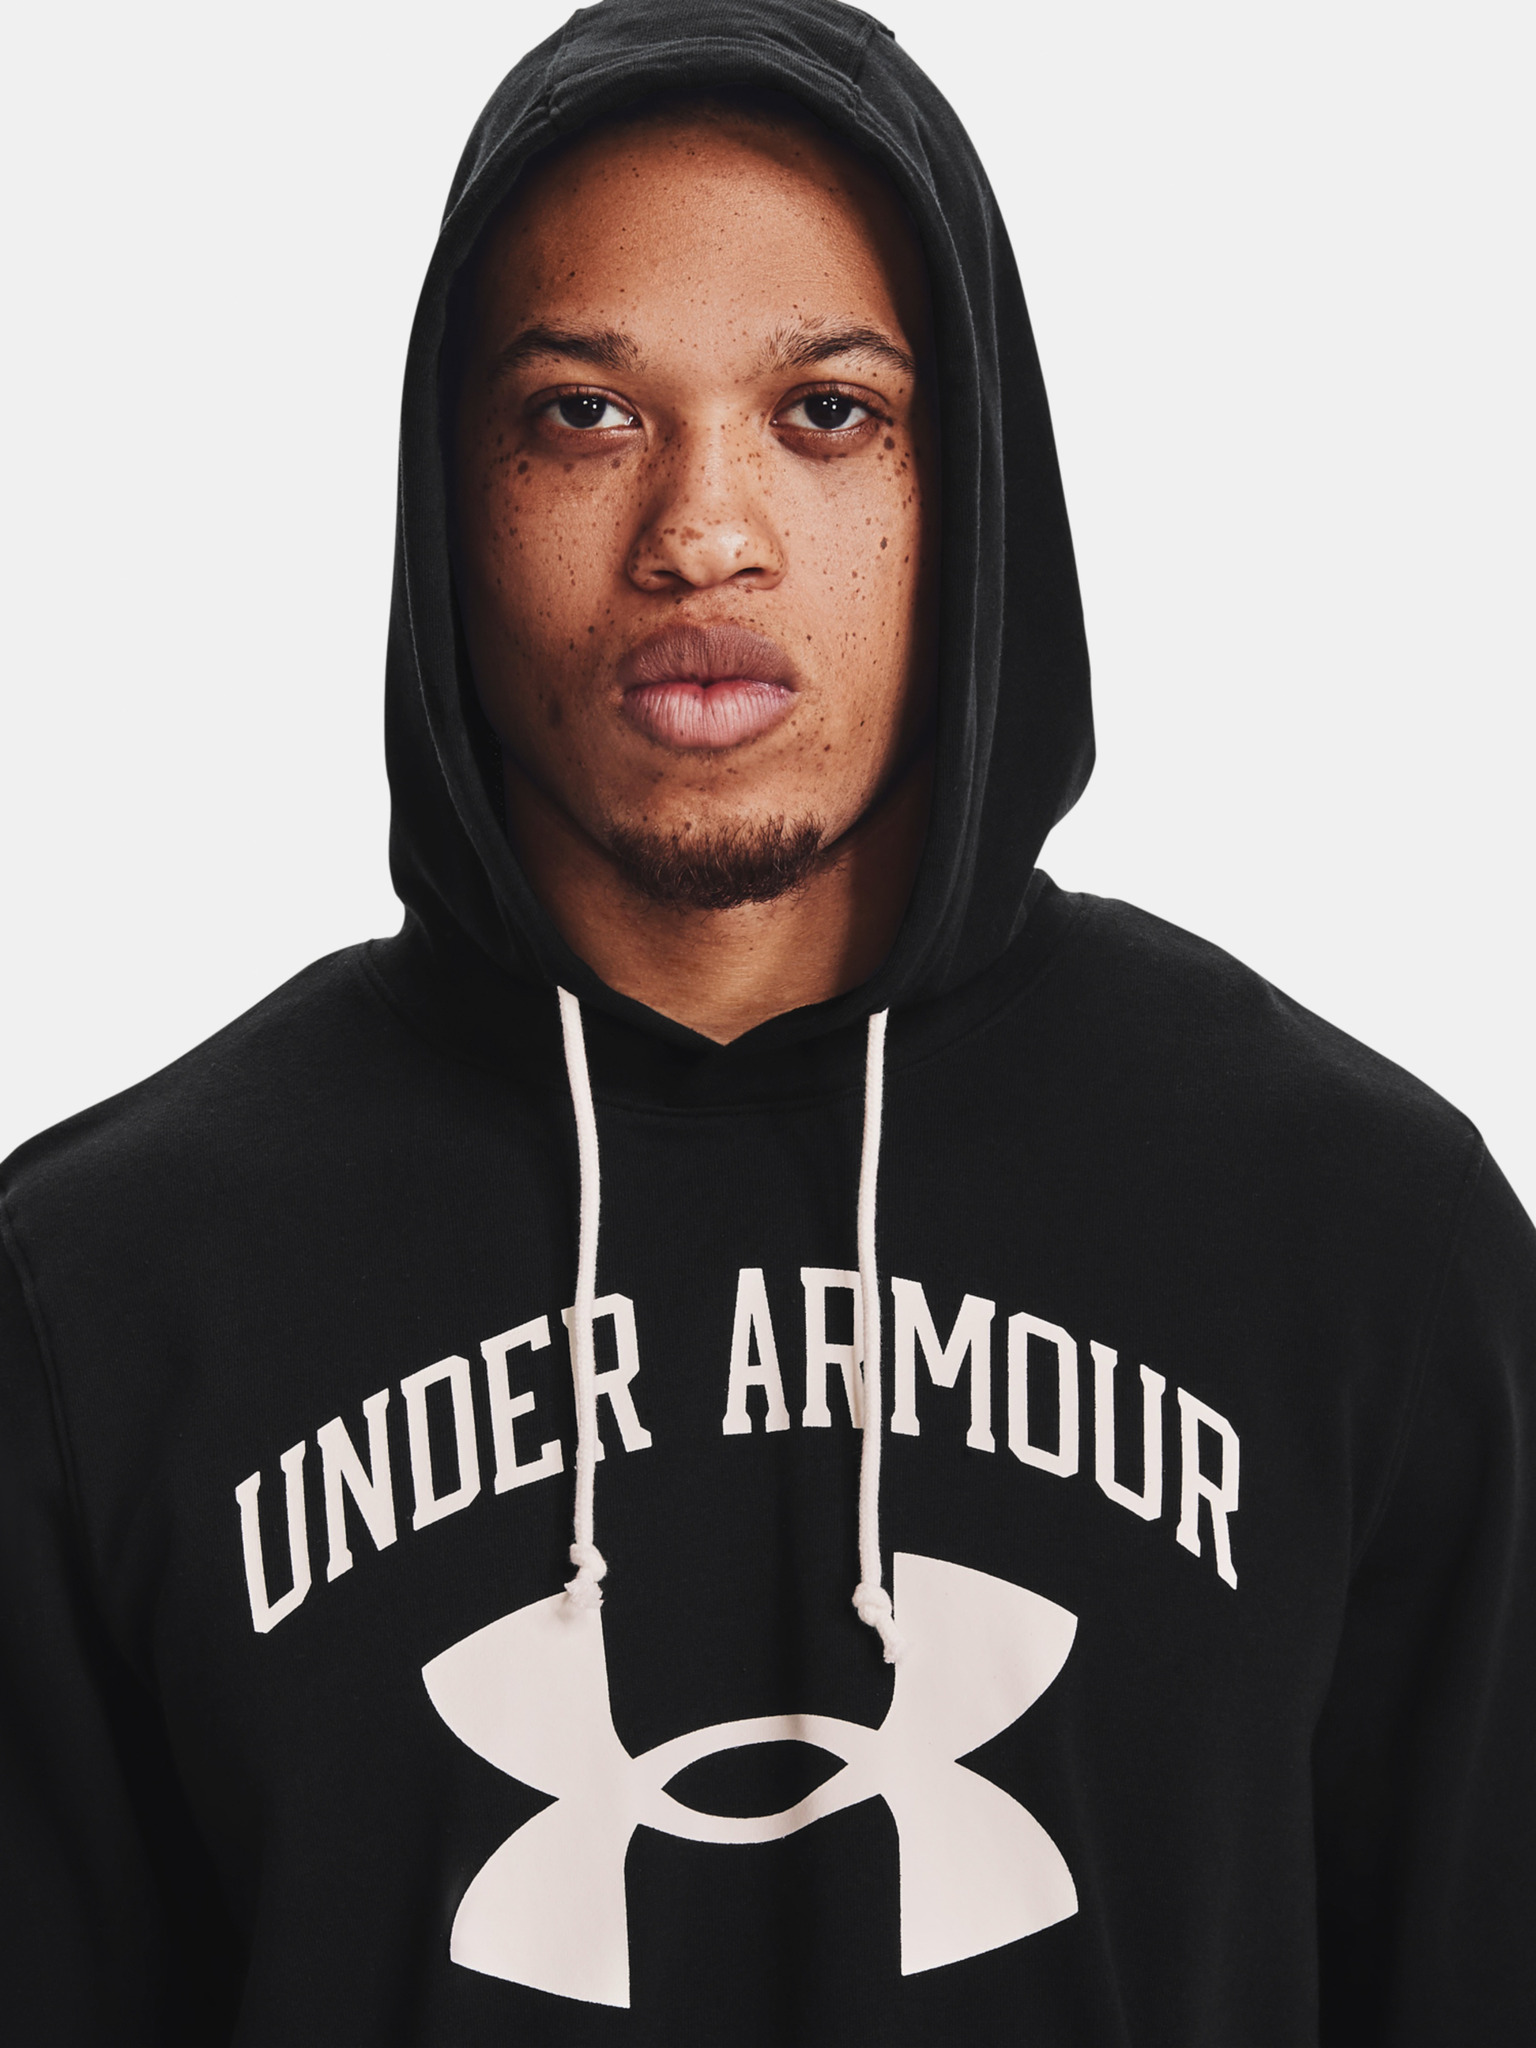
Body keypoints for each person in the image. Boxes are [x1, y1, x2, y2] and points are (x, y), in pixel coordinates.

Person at [1, 0, 1532, 2040]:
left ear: (971, 479)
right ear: (446, 492)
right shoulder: (106, 1304)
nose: (701, 532)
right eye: (581, 414)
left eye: (826, 412)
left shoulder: (1364, 1246)